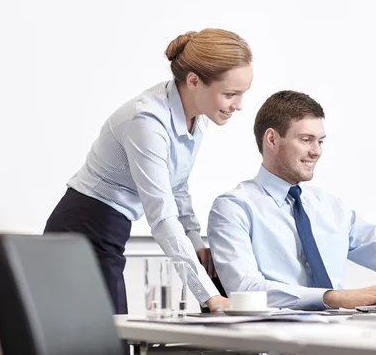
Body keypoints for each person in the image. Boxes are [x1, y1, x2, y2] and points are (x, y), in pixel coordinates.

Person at [44, 28, 253, 314]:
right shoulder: (147, 120)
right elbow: (162, 217)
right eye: (230, 94)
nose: (238, 106)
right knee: (105, 340)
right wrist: (208, 296)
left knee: (114, 338)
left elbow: (177, 186)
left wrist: (195, 243)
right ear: (194, 81)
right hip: (81, 229)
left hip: (110, 230)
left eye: (242, 94)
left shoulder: (196, 117)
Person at [207, 90, 376, 310]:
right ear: (271, 139)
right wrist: (334, 297)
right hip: (275, 337)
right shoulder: (233, 208)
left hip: (339, 332)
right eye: (306, 140)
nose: (317, 151)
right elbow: (245, 289)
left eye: (320, 141)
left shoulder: (330, 206)